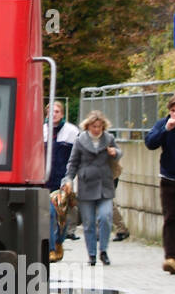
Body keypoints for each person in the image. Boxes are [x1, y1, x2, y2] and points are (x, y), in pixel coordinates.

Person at [62, 111, 122, 265]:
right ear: (88, 126)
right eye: (94, 126)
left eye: (100, 127)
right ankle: (92, 254)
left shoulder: (109, 138)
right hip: (86, 185)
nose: (97, 129)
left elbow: (119, 152)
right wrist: (68, 179)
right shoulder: (80, 140)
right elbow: (73, 162)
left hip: (105, 184)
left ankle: (103, 250)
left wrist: (114, 152)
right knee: (88, 223)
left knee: (105, 217)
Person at [144, 91, 175, 275]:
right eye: (172, 111)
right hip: (169, 178)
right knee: (170, 218)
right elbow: (150, 143)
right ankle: (171, 258)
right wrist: (165, 130)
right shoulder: (163, 124)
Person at [44, 101, 79, 260]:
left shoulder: (71, 132)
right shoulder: (41, 131)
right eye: (51, 111)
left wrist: (71, 180)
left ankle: (59, 241)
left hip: (63, 180)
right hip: (45, 180)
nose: (54, 114)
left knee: (62, 217)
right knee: (50, 214)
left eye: (57, 111)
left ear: (62, 114)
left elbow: (77, 157)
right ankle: (51, 248)